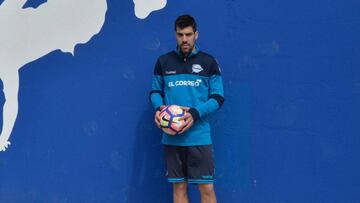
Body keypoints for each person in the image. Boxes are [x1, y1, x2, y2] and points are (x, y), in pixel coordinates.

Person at [149, 14, 224, 203]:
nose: (184, 39)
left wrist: (195, 113)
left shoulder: (209, 62)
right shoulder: (163, 62)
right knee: (179, 186)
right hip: (172, 137)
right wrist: (159, 109)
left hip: (199, 136)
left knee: (206, 188)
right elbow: (155, 91)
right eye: (180, 34)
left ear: (196, 35)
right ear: (175, 35)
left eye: (188, 34)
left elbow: (218, 97)